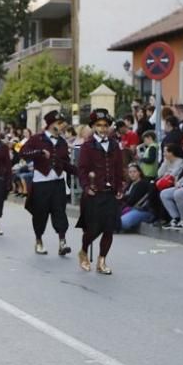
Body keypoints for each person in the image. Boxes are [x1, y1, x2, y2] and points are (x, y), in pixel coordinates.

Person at [76, 108, 124, 274]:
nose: (103, 129)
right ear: (93, 126)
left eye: (105, 125)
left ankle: (101, 260)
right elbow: (81, 170)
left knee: (109, 229)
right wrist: (87, 187)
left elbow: (119, 169)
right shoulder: (87, 146)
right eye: (99, 125)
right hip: (94, 194)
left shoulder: (114, 145)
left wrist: (120, 187)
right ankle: (83, 251)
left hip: (110, 194)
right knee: (93, 229)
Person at [19, 110, 73, 255]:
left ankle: (62, 242)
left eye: (63, 123)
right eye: (59, 123)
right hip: (41, 183)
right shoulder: (38, 139)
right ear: (50, 125)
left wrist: (81, 173)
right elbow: (22, 153)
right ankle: (39, 240)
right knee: (40, 213)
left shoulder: (62, 142)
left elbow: (65, 163)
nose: (62, 126)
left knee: (60, 212)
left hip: (58, 182)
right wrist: (39, 152)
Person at [119, 163, 155, 231]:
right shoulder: (130, 184)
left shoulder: (143, 184)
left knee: (123, 222)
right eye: (130, 172)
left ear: (139, 172)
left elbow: (131, 201)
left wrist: (122, 198)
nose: (132, 174)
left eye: (134, 171)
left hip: (142, 210)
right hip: (130, 209)